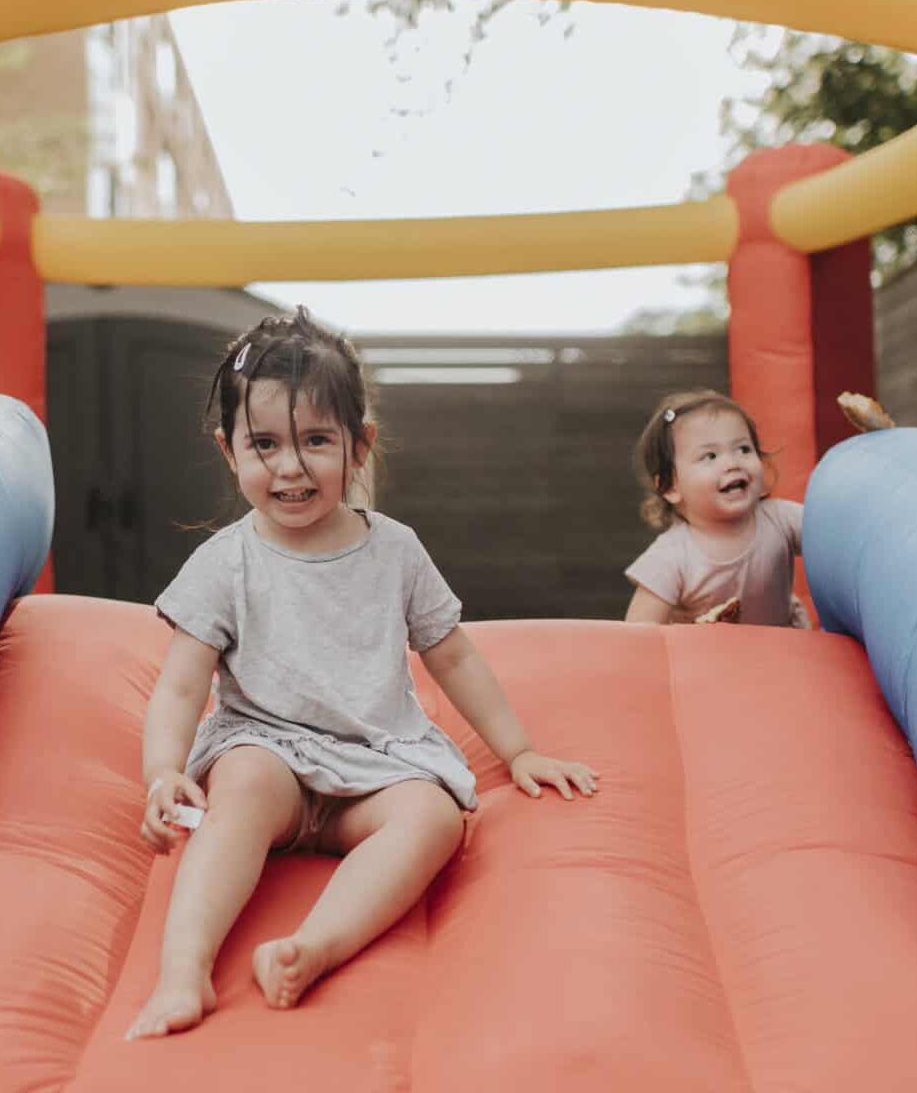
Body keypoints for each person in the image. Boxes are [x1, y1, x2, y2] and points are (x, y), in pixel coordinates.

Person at [127, 307, 598, 1040]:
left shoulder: (395, 551)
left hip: (374, 764)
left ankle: (316, 947)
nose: (290, 467)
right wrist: (164, 771)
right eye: (265, 444)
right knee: (244, 783)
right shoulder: (226, 560)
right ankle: (183, 974)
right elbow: (182, 684)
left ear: (359, 445)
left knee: (434, 818)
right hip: (268, 753)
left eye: (316, 441)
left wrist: (519, 751)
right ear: (230, 452)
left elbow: (454, 654)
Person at [622, 389, 808, 628]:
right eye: (710, 456)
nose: (732, 463)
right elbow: (638, 635)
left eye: (743, 449)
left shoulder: (781, 519)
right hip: (706, 661)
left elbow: (837, 539)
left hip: (783, 649)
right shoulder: (671, 557)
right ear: (670, 486)